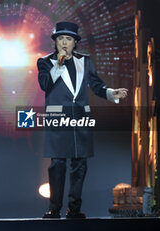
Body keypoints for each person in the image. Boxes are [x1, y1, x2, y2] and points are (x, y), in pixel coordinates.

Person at [37, 21, 128, 219]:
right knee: (58, 165)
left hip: (80, 118)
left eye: (68, 38)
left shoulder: (85, 61)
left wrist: (113, 93)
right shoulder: (45, 62)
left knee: (80, 164)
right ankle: (54, 209)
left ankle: (74, 209)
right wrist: (58, 66)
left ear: (75, 42)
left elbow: (96, 85)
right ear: (55, 41)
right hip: (58, 118)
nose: (63, 42)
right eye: (60, 38)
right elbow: (45, 85)